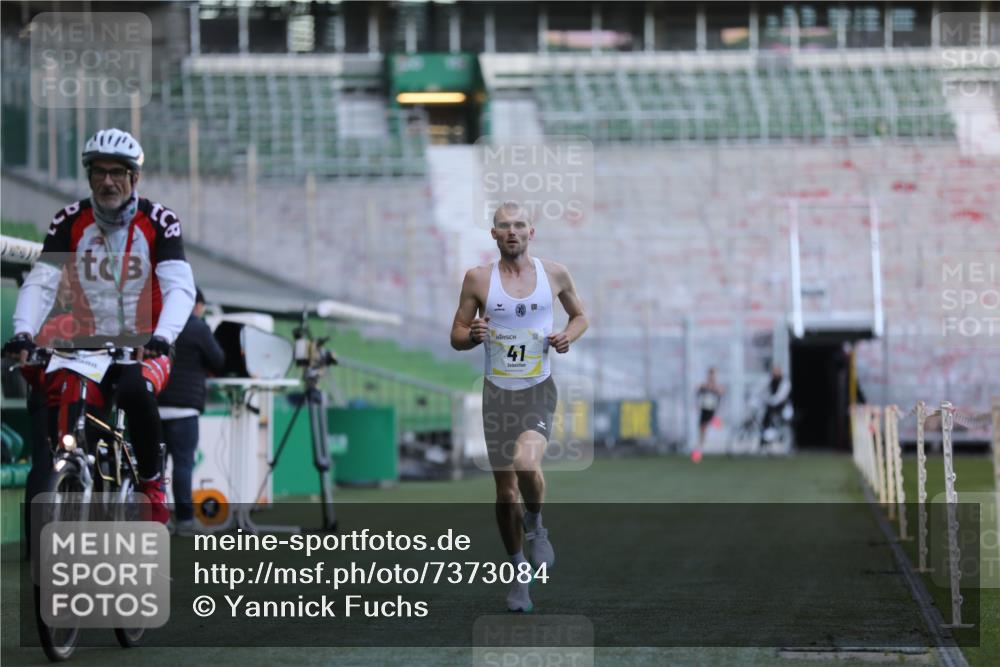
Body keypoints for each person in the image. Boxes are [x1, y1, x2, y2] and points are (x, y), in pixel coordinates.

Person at [3, 128, 196, 524]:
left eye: (117, 172)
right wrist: (23, 331)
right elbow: (42, 282)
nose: (108, 181)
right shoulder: (70, 221)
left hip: (144, 345)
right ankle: (75, 479)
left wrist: (163, 336)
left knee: (135, 389)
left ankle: (151, 480)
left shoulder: (159, 221)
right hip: (86, 348)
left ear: (134, 177)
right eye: (99, 172)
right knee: (71, 421)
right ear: (89, 175)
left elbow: (179, 287)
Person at [450, 201, 588, 612]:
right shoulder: (478, 279)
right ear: (494, 234)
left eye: (520, 225)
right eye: (504, 226)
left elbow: (580, 317)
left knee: (527, 463)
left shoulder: (555, 274)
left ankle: (537, 525)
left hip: (536, 389)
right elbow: (457, 335)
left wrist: (567, 336)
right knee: (505, 493)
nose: (512, 231)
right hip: (497, 394)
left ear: (532, 232)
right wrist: (472, 335)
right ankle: (518, 575)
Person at [157, 287, 225, 535]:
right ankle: (185, 520)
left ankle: (157, 519)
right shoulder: (198, 327)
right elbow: (218, 360)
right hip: (184, 409)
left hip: (155, 404)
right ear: (197, 305)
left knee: (154, 468)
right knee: (183, 466)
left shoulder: (158, 323)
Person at [695, 367, 724, 458]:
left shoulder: (717, 387)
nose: (711, 377)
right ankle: (699, 450)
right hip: (705, 410)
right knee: (702, 430)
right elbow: (698, 390)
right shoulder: (704, 386)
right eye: (710, 375)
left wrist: (715, 388)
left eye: (713, 375)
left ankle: (719, 447)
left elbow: (721, 392)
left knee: (718, 427)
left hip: (713, 411)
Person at [761, 364, 792, 447]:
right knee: (765, 418)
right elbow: (763, 390)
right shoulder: (770, 381)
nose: (775, 373)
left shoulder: (785, 382)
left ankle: (775, 435)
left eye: (777, 371)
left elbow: (781, 396)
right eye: (774, 371)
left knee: (775, 419)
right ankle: (765, 438)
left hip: (782, 407)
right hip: (772, 406)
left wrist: (771, 400)